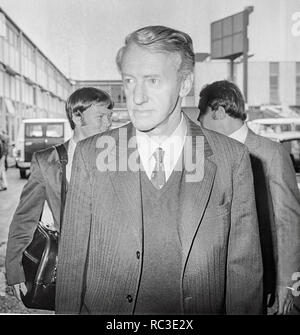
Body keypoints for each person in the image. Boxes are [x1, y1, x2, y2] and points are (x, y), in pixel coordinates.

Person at [56, 26, 263, 315]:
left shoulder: (232, 158)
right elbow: (72, 260)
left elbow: (244, 269)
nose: (136, 97)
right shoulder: (91, 156)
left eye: (153, 80)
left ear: (184, 83)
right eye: (129, 80)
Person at [197, 80, 300, 315]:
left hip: (266, 284)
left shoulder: (271, 154)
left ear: (219, 111)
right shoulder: (209, 157)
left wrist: (287, 285)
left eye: (201, 116)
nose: (199, 124)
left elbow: (290, 225)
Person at [5, 87, 114, 301]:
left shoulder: (121, 158)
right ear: (77, 116)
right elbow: (25, 219)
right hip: (69, 272)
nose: (108, 123)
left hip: (116, 271)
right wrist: (14, 269)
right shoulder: (47, 161)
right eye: (101, 117)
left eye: (110, 117)